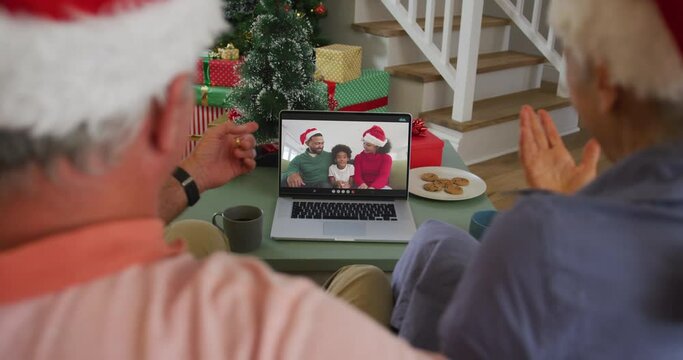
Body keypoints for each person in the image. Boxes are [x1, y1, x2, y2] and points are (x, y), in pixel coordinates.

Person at [0, 1, 443, 359]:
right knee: (366, 277)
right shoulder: (267, 327)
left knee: (195, 230)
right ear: (164, 112)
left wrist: (190, 177)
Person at [391, 0, 683, 358]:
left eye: (568, 51)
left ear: (605, 81)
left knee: (366, 278)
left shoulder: (540, 238)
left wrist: (561, 224)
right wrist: (575, 212)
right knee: (439, 240)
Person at [354, 125, 393, 189]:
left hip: (381, 186)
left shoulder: (387, 158)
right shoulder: (358, 157)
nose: (364, 146)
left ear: (377, 147)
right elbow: (357, 176)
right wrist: (362, 184)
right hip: (363, 187)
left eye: (368, 145)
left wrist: (373, 188)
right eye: (364, 143)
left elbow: (383, 177)